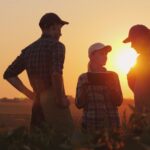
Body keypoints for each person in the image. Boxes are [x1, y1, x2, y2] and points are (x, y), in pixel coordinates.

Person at [3, 13, 73, 134]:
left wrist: (31, 95)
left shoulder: (28, 50)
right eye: (58, 29)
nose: (60, 33)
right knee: (62, 142)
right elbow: (56, 74)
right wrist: (60, 99)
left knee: (37, 143)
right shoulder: (57, 46)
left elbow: (9, 74)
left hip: (38, 104)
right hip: (54, 104)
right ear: (50, 27)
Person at [75, 42, 123, 132]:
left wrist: (112, 89)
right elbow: (79, 104)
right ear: (91, 56)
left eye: (106, 54)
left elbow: (119, 102)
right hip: (91, 125)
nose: (105, 56)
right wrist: (84, 90)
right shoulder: (83, 78)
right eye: (101, 54)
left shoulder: (113, 76)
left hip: (112, 125)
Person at [123, 24, 150, 113]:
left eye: (133, 41)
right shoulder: (141, 60)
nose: (132, 45)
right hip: (143, 116)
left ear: (143, 39)